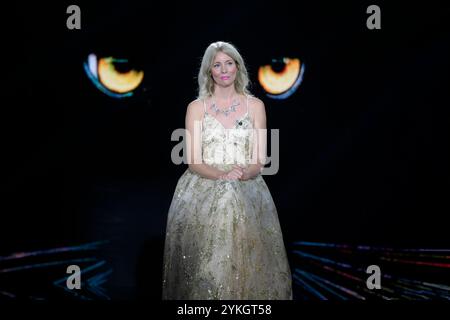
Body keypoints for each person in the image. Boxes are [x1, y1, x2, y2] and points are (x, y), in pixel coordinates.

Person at [162, 41, 292, 299]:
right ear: (209, 71)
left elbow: (259, 158)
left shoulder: (254, 106)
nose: (224, 70)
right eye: (217, 65)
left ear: (238, 67)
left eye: (229, 63)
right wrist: (222, 176)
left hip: (247, 183)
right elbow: (193, 160)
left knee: (234, 201)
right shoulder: (196, 108)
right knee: (224, 203)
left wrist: (243, 174)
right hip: (203, 184)